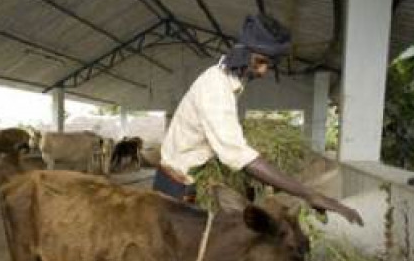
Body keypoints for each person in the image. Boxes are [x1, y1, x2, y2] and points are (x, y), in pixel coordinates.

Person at [155, 13, 363, 225]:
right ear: (241, 53)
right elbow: (238, 155)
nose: (263, 71)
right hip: (177, 184)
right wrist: (309, 194)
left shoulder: (230, 81)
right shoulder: (215, 88)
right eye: (260, 62)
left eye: (268, 64)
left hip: (192, 174)